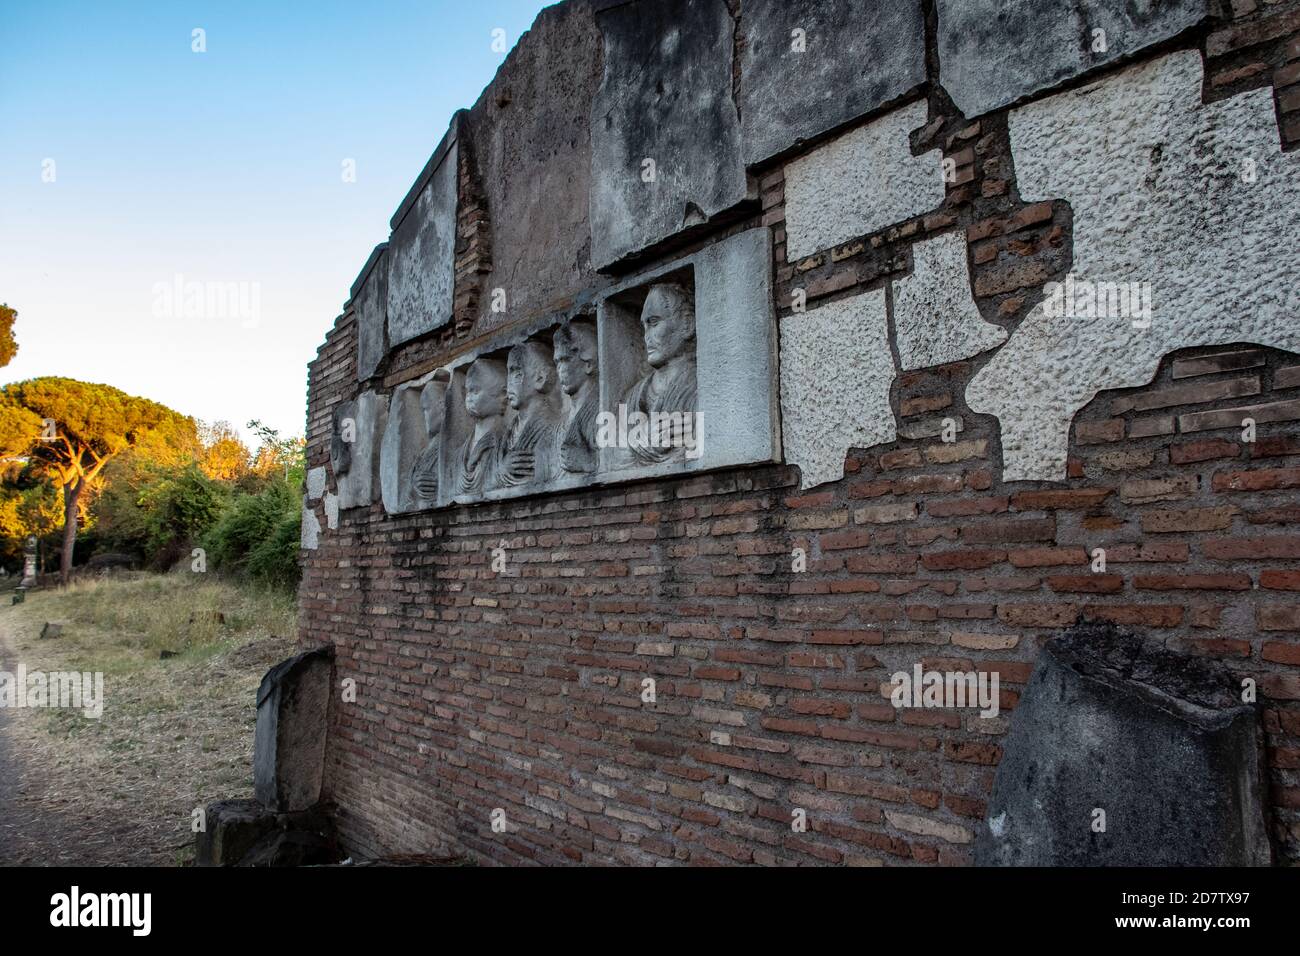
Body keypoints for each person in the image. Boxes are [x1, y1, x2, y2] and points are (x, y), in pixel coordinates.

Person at [553, 321, 600, 476]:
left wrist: (588, 462)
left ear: (588, 364)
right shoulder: (560, 423)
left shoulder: (603, 411)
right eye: (557, 362)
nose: (559, 369)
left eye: (565, 359)